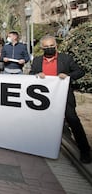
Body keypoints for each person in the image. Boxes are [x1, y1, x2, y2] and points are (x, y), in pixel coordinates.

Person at [30, 35, 91, 164]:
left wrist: (68, 76)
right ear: (42, 48)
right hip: (45, 99)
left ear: (56, 46)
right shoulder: (37, 61)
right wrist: (36, 75)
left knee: (73, 120)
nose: (49, 48)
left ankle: (85, 151)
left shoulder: (66, 59)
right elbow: (31, 74)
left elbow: (80, 72)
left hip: (64, 96)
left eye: (52, 46)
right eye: (46, 47)